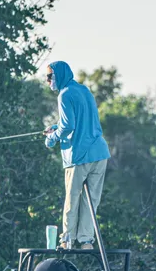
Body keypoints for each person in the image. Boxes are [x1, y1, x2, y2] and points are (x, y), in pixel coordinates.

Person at [43, 61, 111, 250]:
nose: (47, 80)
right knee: (91, 201)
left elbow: (68, 127)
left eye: (50, 76)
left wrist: (52, 138)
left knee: (72, 199)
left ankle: (67, 240)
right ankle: (86, 241)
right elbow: (82, 121)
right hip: (100, 153)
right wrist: (56, 128)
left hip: (79, 156)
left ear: (59, 75)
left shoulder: (64, 95)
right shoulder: (84, 90)